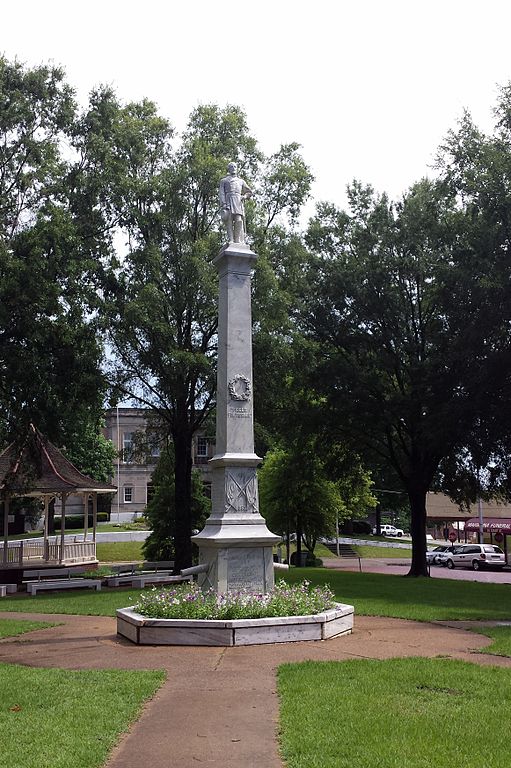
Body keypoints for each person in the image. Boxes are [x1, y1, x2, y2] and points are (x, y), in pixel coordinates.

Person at [218, 162, 253, 243]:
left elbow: (250, 192)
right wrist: (223, 204)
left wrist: (244, 196)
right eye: (231, 166)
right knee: (229, 220)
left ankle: (237, 239)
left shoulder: (241, 181)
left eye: (235, 166)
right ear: (229, 169)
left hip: (238, 201)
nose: (233, 168)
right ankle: (231, 239)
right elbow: (221, 193)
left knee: (238, 220)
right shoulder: (224, 180)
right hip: (228, 200)